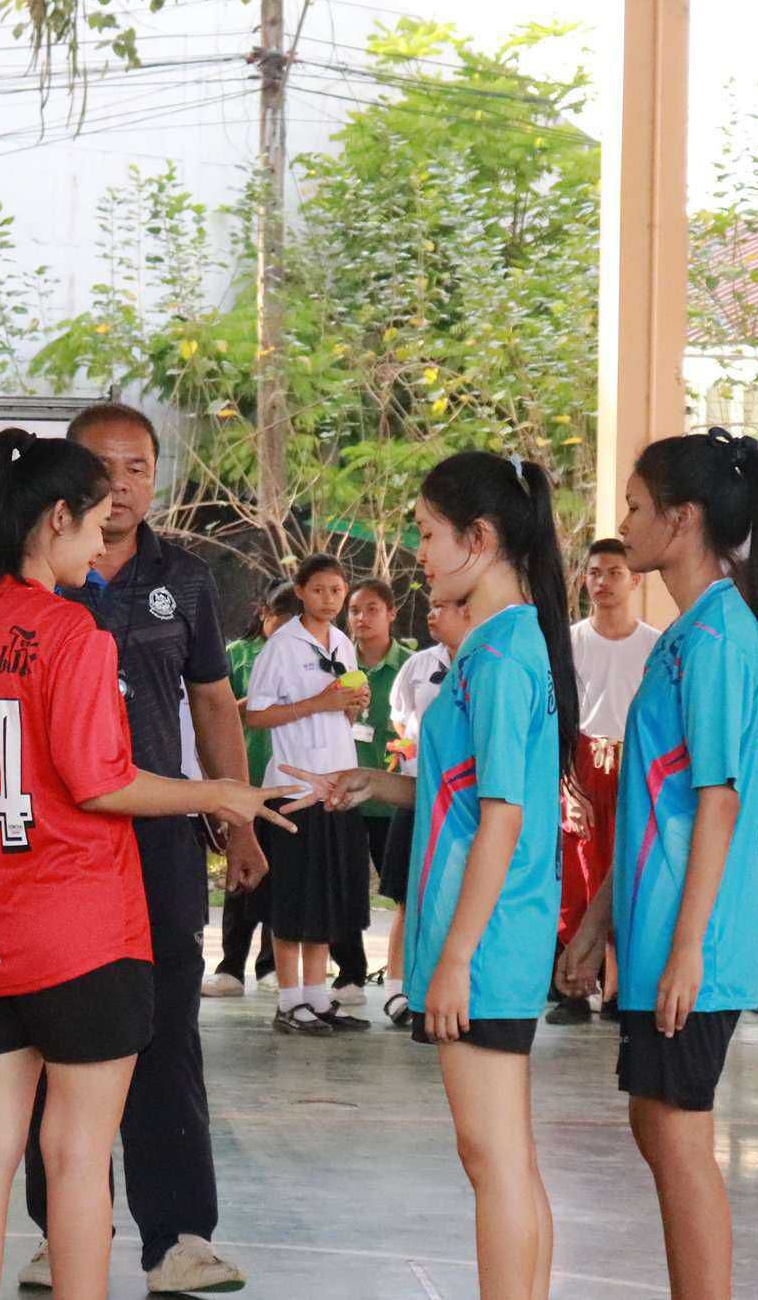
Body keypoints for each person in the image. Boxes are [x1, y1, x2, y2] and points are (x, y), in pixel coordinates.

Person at [0, 429, 294, 1300]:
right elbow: (100, 781)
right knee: (77, 1156)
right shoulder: (70, 630)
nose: (101, 537)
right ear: (55, 519)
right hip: (81, 932)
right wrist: (218, 794)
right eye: (92, 520)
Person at [287, 449, 574, 1300]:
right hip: (492, 928)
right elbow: (475, 790)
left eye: (427, 533)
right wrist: (378, 783)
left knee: (493, 1157)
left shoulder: (502, 655)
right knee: (505, 1155)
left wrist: (452, 958)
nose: (419, 552)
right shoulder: (501, 645)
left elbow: (504, 817)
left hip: (486, 934)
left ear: (478, 539)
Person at [16, 403, 267, 1295]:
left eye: (138, 467)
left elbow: (213, 704)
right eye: (104, 467)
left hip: (159, 842)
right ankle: (61, 1230)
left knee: (167, 1032)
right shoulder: (32, 580)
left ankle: (179, 1237)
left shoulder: (186, 580)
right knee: (57, 1037)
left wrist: (239, 822)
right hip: (53, 848)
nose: (120, 485)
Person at [561, 428, 758, 1300]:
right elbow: (660, 805)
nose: (624, 523)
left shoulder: (721, 635)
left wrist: (688, 948)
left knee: (679, 1134)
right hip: (658, 926)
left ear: (683, 519)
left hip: (699, 938)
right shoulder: (688, 635)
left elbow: (719, 800)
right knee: (656, 1124)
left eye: (636, 506)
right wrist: (597, 922)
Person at [244, 553, 373, 1036]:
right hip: (294, 787)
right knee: (292, 897)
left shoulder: (343, 642)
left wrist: (353, 705)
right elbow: (256, 714)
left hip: (336, 784)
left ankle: (317, 998)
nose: (329, 599)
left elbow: (342, 712)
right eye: (318, 589)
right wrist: (320, 702)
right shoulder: (281, 645)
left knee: (325, 897)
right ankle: (288, 1001)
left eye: (337, 590)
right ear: (299, 591)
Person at [555, 539, 658, 1024]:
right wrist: (567, 781)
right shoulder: (570, 641)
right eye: (595, 573)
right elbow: (561, 717)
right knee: (581, 873)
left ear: (634, 579)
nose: (603, 582)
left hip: (633, 764)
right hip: (582, 762)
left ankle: (620, 988)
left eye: (614, 572)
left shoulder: (654, 644)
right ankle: (576, 985)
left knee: (628, 868)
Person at [381, 596, 472, 1029]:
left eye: (444, 608)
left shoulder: (486, 663)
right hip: (417, 792)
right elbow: (401, 718)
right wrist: (413, 750)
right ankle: (397, 988)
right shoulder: (418, 664)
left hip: (464, 802)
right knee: (407, 894)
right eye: (431, 608)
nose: (433, 615)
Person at [205, 581, 296, 998]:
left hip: (286, 783)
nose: (287, 629)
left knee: (281, 875)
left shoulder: (304, 655)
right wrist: (256, 703)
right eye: (281, 619)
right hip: (244, 780)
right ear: (263, 613)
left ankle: (270, 964)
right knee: (241, 874)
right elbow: (216, 712)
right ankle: (230, 965)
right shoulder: (236, 655)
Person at [330, 577, 412, 1005]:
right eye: (355, 610)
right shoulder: (338, 662)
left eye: (372, 609)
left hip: (393, 798)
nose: (362, 618)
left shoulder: (411, 666)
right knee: (343, 885)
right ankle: (350, 974)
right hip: (346, 794)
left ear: (392, 613)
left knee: (403, 890)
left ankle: (404, 977)